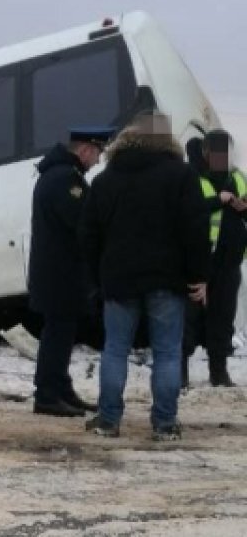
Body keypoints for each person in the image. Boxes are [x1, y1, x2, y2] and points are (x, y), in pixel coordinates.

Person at [79, 112, 209, 441]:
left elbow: (88, 235)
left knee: (115, 349)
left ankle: (108, 421)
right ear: (167, 141)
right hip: (167, 279)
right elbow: (195, 229)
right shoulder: (181, 176)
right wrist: (199, 275)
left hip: (118, 280)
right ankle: (165, 424)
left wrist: (99, 276)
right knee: (166, 351)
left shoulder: (104, 180)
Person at [27, 126, 114, 417]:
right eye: (98, 153)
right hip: (60, 273)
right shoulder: (66, 179)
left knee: (62, 333)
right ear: (86, 149)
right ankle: (48, 395)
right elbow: (82, 223)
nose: (98, 160)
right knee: (57, 334)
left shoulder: (61, 175)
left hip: (58, 272)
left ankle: (60, 388)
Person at [183, 129, 247, 387]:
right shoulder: (192, 177)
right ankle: (179, 371)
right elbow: (188, 212)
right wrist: (217, 202)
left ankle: (218, 369)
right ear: (206, 152)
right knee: (190, 318)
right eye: (217, 152)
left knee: (223, 317)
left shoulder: (238, 177)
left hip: (229, 262)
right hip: (198, 262)